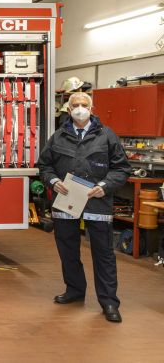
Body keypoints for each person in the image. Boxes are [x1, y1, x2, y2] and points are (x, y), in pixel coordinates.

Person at [37, 91, 131, 323]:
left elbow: (122, 169)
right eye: (75, 105)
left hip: (97, 201)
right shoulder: (58, 137)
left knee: (103, 254)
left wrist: (105, 185)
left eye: (84, 104)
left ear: (92, 108)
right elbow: (44, 165)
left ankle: (109, 302)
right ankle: (75, 290)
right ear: (68, 110)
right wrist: (53, 181)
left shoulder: (107, 136)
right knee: (68, 249)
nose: (80, 108)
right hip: (66, 202)